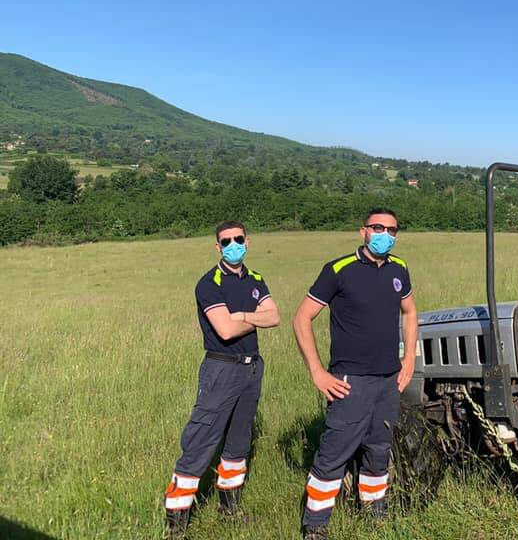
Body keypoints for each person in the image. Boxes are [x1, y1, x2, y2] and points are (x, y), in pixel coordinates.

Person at [292, 208, 419, 540]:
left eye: (392, 229)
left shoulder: (400, 269)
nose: (385, 235)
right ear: (363, 231)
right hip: (350, 380)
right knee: (336, 450)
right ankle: (315, 525)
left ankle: (374, 511)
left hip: (389, 379)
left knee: (379, 449)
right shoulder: (338, 270)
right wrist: (317, 371)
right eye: (378, 228)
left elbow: (410, 312)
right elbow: (302, 318)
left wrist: (409, 361)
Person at [162, 221, 280, 538]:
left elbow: (275, 316)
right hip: (221, 368)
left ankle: (229, 510)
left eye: (238, 239)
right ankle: (176, 524)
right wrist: (249, 319)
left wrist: (241, 316)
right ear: (217, 246)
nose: (233, 244)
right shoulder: (209, 283)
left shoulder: (256, 280)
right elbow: (225, 330)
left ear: (247, 241)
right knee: (201, 440)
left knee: (239, 441)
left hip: (252, 368)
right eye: (226, 241)